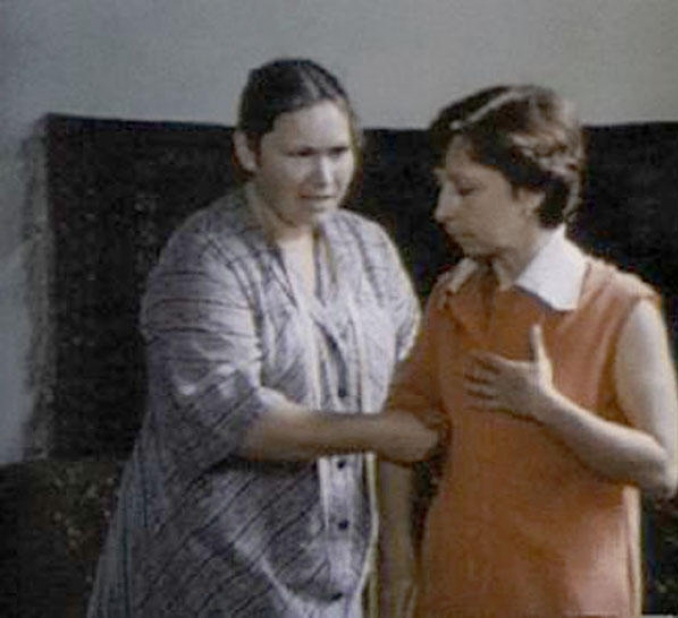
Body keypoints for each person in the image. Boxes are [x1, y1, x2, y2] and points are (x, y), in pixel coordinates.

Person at [87, 58, 434, 617]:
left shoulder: (368, 248)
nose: (325, 178)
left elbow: (406, 395)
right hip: (208, 569)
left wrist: (397, 555)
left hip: (334, 574)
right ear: (248, 152)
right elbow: (240, 419)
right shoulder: (205, 255)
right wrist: (382, 433)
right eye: (301, 155)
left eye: (339, 152)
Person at [378, 85, 678, 618]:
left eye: (465, 190)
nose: (442, 211)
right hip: (454, 592)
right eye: (442, 187)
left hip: (568, 599)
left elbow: (662, 470)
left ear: (531, 193)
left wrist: (547, 407)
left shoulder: (621, 308)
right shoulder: (452, 297)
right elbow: (398, 429)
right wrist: (398, 557)